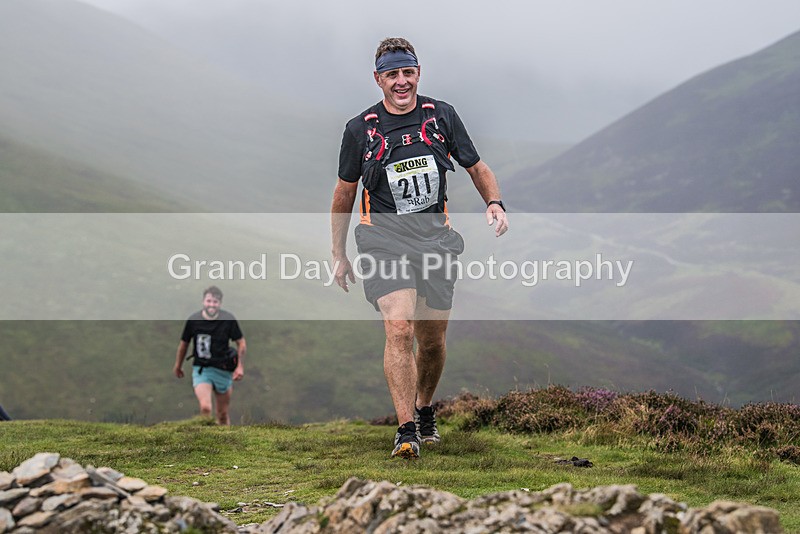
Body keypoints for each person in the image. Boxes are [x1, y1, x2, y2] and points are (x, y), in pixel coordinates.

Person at [331, 37, 508, 458]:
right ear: (378, 79)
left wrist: (495, 202)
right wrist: (339, 254)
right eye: (391, 74)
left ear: (418, 73)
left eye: (407, 72)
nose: (401, 81)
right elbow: (344, 192)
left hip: (434, 240)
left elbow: (476, 166)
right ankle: (406, 431)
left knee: (431, 340)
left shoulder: (441, 116)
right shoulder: (360, 129)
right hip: (382, 239)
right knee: (399, 327)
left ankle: (424, 408)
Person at [174, 286, 246, 425]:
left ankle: (227, 443)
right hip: (202, 369)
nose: (211, 305)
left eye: (215, 302)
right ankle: (206, 441)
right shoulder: (193, 320)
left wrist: (239, 366)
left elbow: (241, 343)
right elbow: (184, 344)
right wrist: (178, 365)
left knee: (222, 414)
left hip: (223, 369)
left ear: (220, 303)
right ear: (203, 301)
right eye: (209, 301)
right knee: (206, 408)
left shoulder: (228, 319)